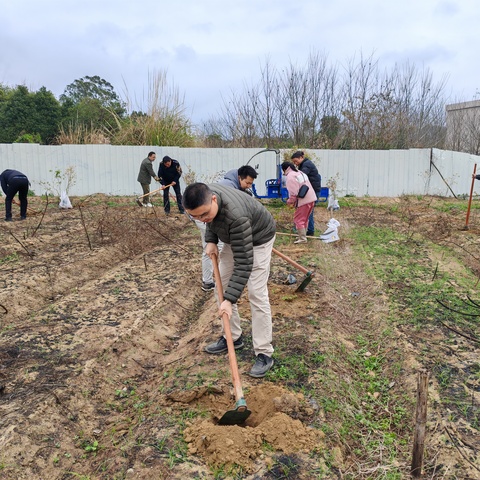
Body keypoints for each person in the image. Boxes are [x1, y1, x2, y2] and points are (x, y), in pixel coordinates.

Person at [183, 182, 276, 378]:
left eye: (203, 214)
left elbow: (244, 264)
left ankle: (264, 352)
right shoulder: (207, 200)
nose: (201, 219)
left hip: (258, 239)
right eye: (195, 217)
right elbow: (211, 221)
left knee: (256, 293)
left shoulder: (236, 216)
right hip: (234, 236)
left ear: (214, 199)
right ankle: (232, 337)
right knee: (221, 285)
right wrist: (210, 240)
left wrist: (230, 301)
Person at [193, 165, 258, 292]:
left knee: (218, 247)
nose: (249, 185)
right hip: (206, 217)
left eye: (251, 183)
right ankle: (209, 281)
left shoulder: (235, 185)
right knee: (212, 248)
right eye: (247, 183)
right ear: (239, 178)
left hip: (212, 217)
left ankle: (218, 279)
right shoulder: (229, 186)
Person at [281, 161, 317, 244]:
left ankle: (302, 239)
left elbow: (294, 193)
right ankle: (302, 235)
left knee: (298, 219)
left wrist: (290, 201)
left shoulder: (290, 176)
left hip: (303, 200)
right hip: (311, 198)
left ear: (284, 169)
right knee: (305, 219)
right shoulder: (299, 173)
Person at [291, 151, 321, 236]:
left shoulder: (306, 165)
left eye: (296, 161)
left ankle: (309, 231)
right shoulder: (304, 164)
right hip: (312, 190)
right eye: (294, 162)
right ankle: (306, 230)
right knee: (308, 211)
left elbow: (301, 177)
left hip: (313, 191)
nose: (295, 163)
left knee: (309, 211)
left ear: (301, 158)